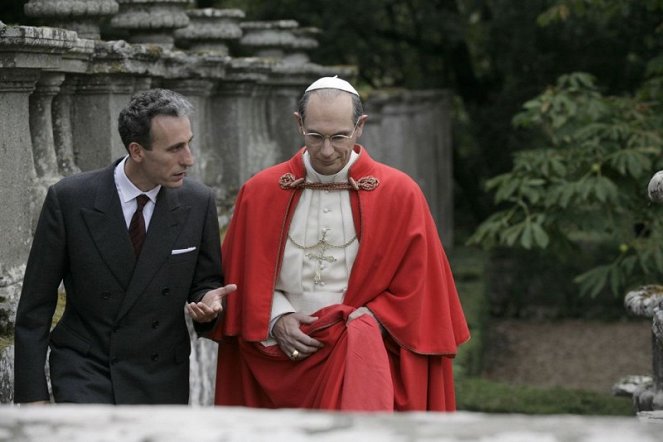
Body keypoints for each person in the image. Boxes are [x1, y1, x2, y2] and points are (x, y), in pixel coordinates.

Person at [210, 77, 470, 411]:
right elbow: (240, 278)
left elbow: (420, 292)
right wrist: (277, 318)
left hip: (361, 357)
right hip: (278, 355)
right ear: (298, 123)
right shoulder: (260, 191)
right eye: (315, 136)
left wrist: (360, 324)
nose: (327, 150)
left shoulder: (399, 194)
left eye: (339, 137)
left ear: (359, 127)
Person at [14, 88, 235, 405]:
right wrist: (32, 395)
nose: (189, 158)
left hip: (162, 375)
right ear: (137, 151)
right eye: (175, 148)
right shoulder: (70, 199)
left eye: (189, 143)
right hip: (86, 368)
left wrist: (207, 308)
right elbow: (35, 305)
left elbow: (206, 283)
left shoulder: (198, 202)